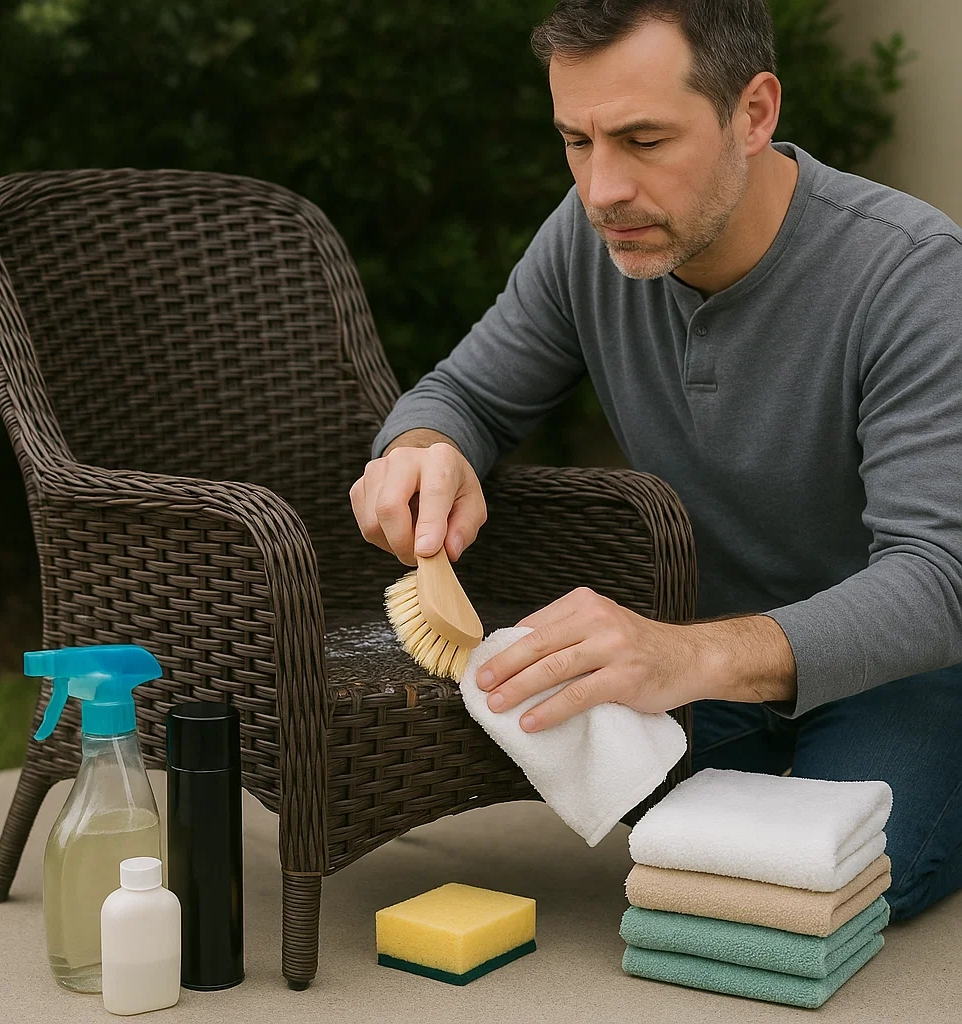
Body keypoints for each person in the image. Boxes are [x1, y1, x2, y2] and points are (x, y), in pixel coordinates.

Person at [348, 0, 962, 922]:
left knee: (820, 883)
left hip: (899, 667)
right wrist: (421, 450)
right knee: (676, 870)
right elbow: (463, 396)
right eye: (576, 141)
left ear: (753, 114)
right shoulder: (591, 236)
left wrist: (690, 655)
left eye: (642, 140)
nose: (601, 189)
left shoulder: (914, 277)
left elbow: (938, 580)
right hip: (701, 665)